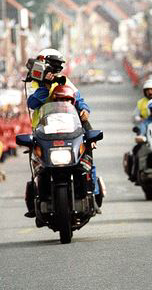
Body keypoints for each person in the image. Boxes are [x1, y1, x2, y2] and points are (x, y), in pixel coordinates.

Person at [25, 84, 102, 217]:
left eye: (67, 100)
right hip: (51, 151)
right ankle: (36, 204)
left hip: (73, 151)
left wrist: (92, 139)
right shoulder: (46, 118)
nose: (64, 103)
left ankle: (92, 195)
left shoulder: (77, 117)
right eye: (60, 100)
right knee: (38, 171)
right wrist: (32, 141)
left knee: (88, 166)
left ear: (72, 101)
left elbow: (86, 123)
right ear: (54, 101)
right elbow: (32, 104)